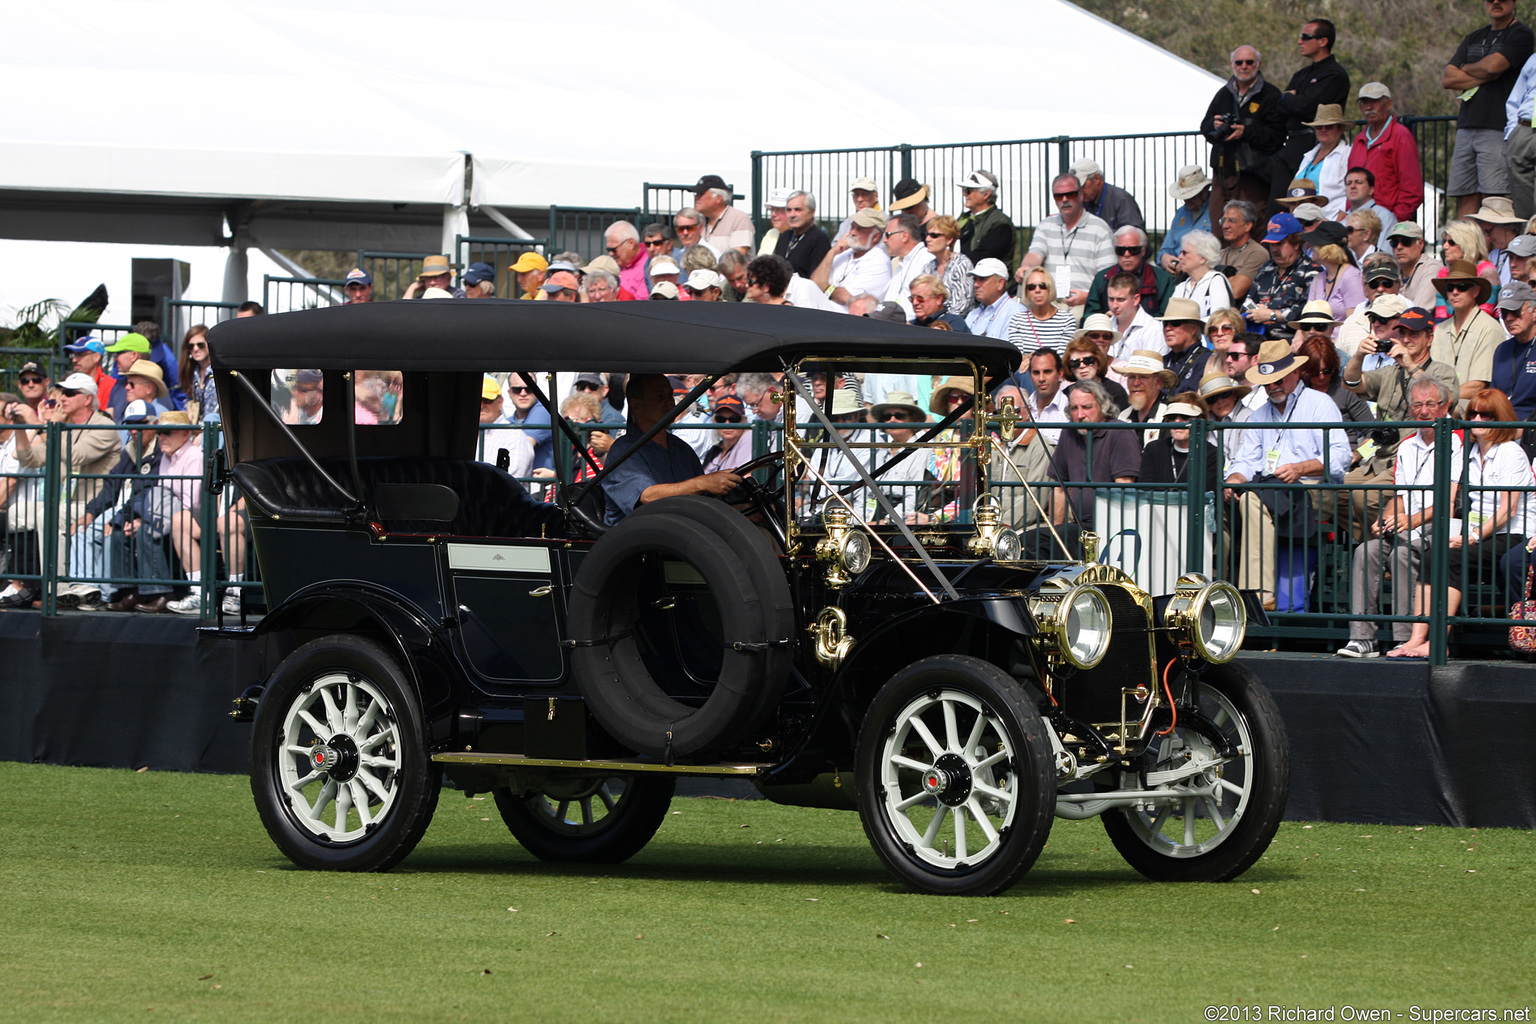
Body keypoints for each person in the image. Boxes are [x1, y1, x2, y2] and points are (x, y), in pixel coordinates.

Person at [1393, 388, 1531, 658]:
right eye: (1473, 413)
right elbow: (1450, 496)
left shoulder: (1511, 453)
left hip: (1514, 533)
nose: (1478, 419)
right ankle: (1416, 637)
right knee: (1432, 555)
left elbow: (1508, 510)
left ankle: (1438, 642)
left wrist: (1472, 537)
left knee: (1451, 557)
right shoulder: (1468, 453)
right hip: (1480, 532)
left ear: (1500, 418)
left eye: (1487, 415)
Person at [1337, 375, 1459, 658]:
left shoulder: (1456, 442)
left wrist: (1411, 520)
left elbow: (1448, 502)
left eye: (1430, 404)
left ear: (1445, 405)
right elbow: (1399, 497)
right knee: (1366, 551)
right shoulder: (1407, 445)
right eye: (1417, 405)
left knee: (1402, 554)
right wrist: (1388, 518)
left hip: (1437, 527)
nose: (1424, 411)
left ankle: (1405, 636)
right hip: (1409, 525)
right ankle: (1363, 637)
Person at [1225, 339, 1351, 611]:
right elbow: (1246, 460)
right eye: (1267, 382)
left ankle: (1257, 593)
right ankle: (1255, 594)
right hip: (1271, 489)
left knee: (1252, 501)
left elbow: (1341, 456)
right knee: (1239, 500)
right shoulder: (1259, 415)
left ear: (1295, 373)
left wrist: (1301, 468)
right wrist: (1234, 478)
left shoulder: (1319, 404)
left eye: (1278, 379)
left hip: (1313, 488)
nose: (1273, 387)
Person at [1337, 304, 1459, 540]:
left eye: (1413, 334)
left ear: (1429, 338)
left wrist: (1410, 366)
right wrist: (1359, 355)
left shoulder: (1442, 371)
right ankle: (1371, 539)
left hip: (1412, 459)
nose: (1406, 339)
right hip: (1377, 456)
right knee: (1332, 490)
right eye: (1402, 333)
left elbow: (1447, 401)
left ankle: (1382, 549)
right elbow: (1351, 383)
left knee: (1364, 497)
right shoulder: (1389, 372)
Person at [9, 372, 122, 609]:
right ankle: (27, 583)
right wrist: (22, 427)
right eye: (62, 392)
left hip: (97, 504)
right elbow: (29, 458)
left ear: (88, 399)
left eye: (70, 393)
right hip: (70, 503)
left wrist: (49, 426)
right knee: (17, 511)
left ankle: (58, 589)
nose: (63, 398)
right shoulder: (65, 428)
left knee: (47, 514)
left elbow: (76, 455)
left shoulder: (104, 425)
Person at [601, 374, 741, 526]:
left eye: (670, 395)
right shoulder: (624, 450)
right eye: (660, 397)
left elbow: (704, 498)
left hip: (682, 533)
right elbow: (647, 496)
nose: (669, 402)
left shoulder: (681, 449)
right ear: (636, 405)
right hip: (638, 540)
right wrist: (703, 483)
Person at [1443, 0, 1535, 217]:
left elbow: (1494, 66)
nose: (1495, 2)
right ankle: (1464, 249)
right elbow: (1448, 78)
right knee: (1465, 195)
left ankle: (1494, 252)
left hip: (1498, 126)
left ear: (1513, 3)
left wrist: (1466, 69)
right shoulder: (1474, 36)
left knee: (1493, 199)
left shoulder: (1521, 34)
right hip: (1466, 125)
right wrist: (1486, 74)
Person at [1047, 380, 1141, 547]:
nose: (1080, 415)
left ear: (1102, 407)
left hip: (1111, 527)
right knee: (1030, 541)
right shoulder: (1069, 432)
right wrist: (1055, 533)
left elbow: (1124, 486)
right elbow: (1059, 488)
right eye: (1075, 408)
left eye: (1087, 407)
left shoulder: (1120, 432)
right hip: (1078, 525)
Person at [1273, 18, 1351, 207]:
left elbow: (1306, 107)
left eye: (1306, 37)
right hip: (1291, 144)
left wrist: (1290, 99)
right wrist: (1291, 101)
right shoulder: (1301, 75)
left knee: (1308, 205)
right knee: (1278, 205)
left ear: (1323, 41)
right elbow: (1280, 108)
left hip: (1314, 142)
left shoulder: (1335, 75)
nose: (1300, 41)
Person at [1201, 44, 1284, 212]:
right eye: (1239, 62)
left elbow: (1277, 135)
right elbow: (1205, 126)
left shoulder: (1270, 94)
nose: (1244, 66)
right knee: (1220, 226)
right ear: (1232, 65)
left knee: (1251, 224)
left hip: (1254, 174)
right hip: (1223, 171)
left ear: (1259, 64)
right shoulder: (1224, 93)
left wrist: (1246, 132)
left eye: (1249, 62)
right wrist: (1214, 125)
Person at [1019, 173, 1114, 309]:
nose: (1064, 200)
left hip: (1084, 302)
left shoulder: (1100, 228)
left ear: (1081, 195)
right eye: (1058, 196)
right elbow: (1035, 254)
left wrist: (1088, 297)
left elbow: (1107, 275)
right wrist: (1026, 268)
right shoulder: (1045, 225)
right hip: (1048, 300)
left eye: (1070, 195)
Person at [1348, 82, 1424, 222]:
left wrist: (1393, 221)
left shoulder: (1401, 136)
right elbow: (1350, 187)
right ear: (1360, 107)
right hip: (1359, 223)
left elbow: (1412, 190)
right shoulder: (1360, 140)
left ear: (1388, 104)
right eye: (1364, 103)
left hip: (1387, 223)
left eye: (1374, 102)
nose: (1369, 107)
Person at [1432, 259, 1502, 404]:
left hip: (1472, 410)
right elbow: (1432, 377)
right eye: (1450, 287)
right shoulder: (1440, 329)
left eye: (1462, 287)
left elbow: (1478, 386)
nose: (1455, 292)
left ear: (1476, 291)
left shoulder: (1489, 328)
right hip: (1439, 407)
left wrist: (1438, 400)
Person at [1246, 211, 1322, 332]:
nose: (1274, 249)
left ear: (1296, 243)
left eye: (1280, 244)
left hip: (1289, 341)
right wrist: (1254, 310)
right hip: (1258, 337)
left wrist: (1272, 314)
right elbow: (1249, 300)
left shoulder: (1311, 270)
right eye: (1271, 245)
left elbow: (1307, 310)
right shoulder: (1267, 267)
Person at [1299, 335, 1375, 448]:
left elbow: (1374, 434)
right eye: (1314, 373)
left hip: (1345, 460)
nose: (1321, 377)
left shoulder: (1347, 390)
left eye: (1327, 371)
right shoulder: (1297, 392)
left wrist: (1357, 455)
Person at [1084, 226, 1173, 319]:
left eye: (1133, 250)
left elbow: (1166, 316)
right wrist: (1104, 320)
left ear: (1143, 251)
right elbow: (1089, 315)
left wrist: (1133, 319)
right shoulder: (1102, 278)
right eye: (1120, 250)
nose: (1127, 254)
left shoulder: (1162, 279)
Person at [1138, 394, 1222, 493]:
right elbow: (1146, 489)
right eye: (1172, 417)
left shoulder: (1212, 453)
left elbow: (1206, 491)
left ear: (1200, 420)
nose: (1177, 421)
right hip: (1157, 507)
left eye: (1185, 416)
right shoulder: (1153, 449)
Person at [813, 209, 891, 308]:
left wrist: (825, 287)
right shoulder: (843, 253)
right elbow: (815, 283)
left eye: (860, 229)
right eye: (852, 227)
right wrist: (831, 253)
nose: (852, 232)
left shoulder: (879, 261)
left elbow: (850, 298)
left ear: (875, 236)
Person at [1434, 219, 1501, 318]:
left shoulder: (1487, 271)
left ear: (1467, 244)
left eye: (1451, 242)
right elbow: (1440, 316)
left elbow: (1484, 314)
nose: (1445, 246)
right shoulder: (1443, 273)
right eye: (1444, 241)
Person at [1302, 220, 1363, 328]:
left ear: (1327, 249)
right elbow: (1307, 317)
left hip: (1339, 342)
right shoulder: (1318, 278)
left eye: (1315, 243)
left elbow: (1353, 323)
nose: (1310, 246)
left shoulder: (1351, 277)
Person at [1490, 281, 1536, 419]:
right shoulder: (1502, 350)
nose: (1509, 318)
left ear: (1534, 312)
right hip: (1499, 426)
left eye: (1515, 312)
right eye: (1504, 313)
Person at [1007, 267, 1074, 358]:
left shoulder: (1067, 320)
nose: (1037, 290)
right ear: (1026, 292)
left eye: (1043, 286)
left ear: (1050, 288)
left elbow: (1062, 358)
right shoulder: (1018, 320)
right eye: (1031, 287)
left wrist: (1031, 357)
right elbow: (1018, 358)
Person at [1159, 166, 1213, 275]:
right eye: (1184, 196)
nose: (1187, 200)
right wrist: (1164, 257)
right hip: (1178, 276)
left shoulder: (1217, 210)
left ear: (1205, 190)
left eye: (1192, 196)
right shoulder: (1180, 213)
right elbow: (1166, 247)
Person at [1063, 322, 1130, 409]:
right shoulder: (1065, 395)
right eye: (1075, 363)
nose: (1082, 366)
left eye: (1088, 360)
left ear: (1098, 361)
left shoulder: (1115, 391)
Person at [881, 214, 936, 319]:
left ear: (905, 236)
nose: (884, 240)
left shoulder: (926, 260)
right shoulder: (901, 262)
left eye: (888, 234)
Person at [1156, 298, 1214, 397]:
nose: (1167, 328)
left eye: (1176, 323)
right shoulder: (1162, 361)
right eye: (1165, 324)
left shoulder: (1207, 361)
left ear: (1193, 328)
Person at [1113, 349, 1175, 442]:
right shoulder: (1123, 416)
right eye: (1132, 377)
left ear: (1158, 382)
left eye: (1143, 377)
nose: (1136, 383)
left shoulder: (1170, 415)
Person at [955, 170, 1014, 267]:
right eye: (964, 190)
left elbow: (984, 256)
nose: (964, 194)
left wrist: (952, 260)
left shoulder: (1000, 224)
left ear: (986, 194)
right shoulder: (963, 219)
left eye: (969, 190)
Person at [1068, 157, 1144, 232]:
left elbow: (1134, 235)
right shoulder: (1079, 201)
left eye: (1082, 186)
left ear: (1096, 179)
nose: (1080, 192)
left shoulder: (1121, 199)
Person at [1216, 200, 1271, 301]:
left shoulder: (1257, 253)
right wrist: (1231, 279)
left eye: (1231, 220)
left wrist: (1215, 281)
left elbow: (1235, 291)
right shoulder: (1221, 253)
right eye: (1223, 220)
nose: (1225, 226)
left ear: (1247, 226)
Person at [1170, 230, 1233, 317]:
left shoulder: (1216, 281)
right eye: (1180, 253)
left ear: (1203, 258)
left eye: (1185, 253)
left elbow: (1219, 319)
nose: (1180, 257)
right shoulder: (1181, 287)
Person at [1104, 272, 1166, 359]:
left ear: (1136, 299)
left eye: (1121, 300)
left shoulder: (1153, 329)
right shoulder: (1104, 326)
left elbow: (1153, 370)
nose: (1114, 306)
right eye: (1111, 299)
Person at [923, 215, 974, 318]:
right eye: (927, 234)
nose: (927, 239)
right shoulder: (928, 267)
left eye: (934, 235)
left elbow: (961, 307)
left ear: (949, 239)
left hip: (954, 325)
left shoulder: (962, 264)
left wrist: (937, 323)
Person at [774, 191, 832, 280]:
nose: (792, 215)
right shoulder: (785, 236)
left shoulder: (819, 239)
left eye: (798, 210)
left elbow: (816, 279)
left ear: (811, 212)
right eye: (789, 210)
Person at [1387, 222, 1444, 309]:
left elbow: (1420, 310)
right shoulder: (1391, 270)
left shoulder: (1432, 268)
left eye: (1406, 242)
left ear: (1421, 244)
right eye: (1394, 243)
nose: (1399, 247)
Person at [1469, 195, 1527, 283]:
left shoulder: (1525, 252)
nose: (1487, 237)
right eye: (1484, 233)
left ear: (1506, 226)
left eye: (1489, 231)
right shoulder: (1493, 255)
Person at [692, 174, 754, 255]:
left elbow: (737, 257)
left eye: (700, 193)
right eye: (696, 193)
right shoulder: (699, 221)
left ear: (718, 198)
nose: (696, 197)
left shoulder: (740, 219)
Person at [965, 259, 1025, 342]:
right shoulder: (972, 315)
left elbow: (1008, 352)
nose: (976, 285)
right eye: (975, 279)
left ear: (1000, 283)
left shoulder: (1016, 313)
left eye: (982, 279)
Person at [1339, 166, 1398, 237]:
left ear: (1371, 190)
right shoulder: (1343, 222)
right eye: (1349, 183)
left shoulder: (1384, 216)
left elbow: (1385, 247)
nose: (1352, 186)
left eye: (1358, 182)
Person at [701, 396, 753, 475]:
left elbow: (746, 477)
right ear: (714, 421)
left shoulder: (749, 437)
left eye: (734, 419)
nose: (727, 424)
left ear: (744, 420)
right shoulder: (715, 450)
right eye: (721, 419)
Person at [176, 326, 218, 424]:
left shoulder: (217, 371)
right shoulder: (192, 373)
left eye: (200, 345)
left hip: (215, 428)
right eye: (191, 346)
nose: (195, 349)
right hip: (196, 428)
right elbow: (188, 402)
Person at [62, 337, 111, 413]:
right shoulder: (67, 383)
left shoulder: (111, 386)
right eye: (73, 355)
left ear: (96, 357)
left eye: (80, 355)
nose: (74, 360)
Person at [603, 221, 649, 300]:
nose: (610, 254)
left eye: (614, 249)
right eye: (608, 250)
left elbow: (642, 302)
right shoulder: (610, 265)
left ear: (631, 243)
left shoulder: (648, 264)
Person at [831, 176, 882, 242]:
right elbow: (835, 247)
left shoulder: (886, 222)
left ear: (875, 196)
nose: (859, 199)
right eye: (856, 195)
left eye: (864, 194)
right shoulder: (847, 223)